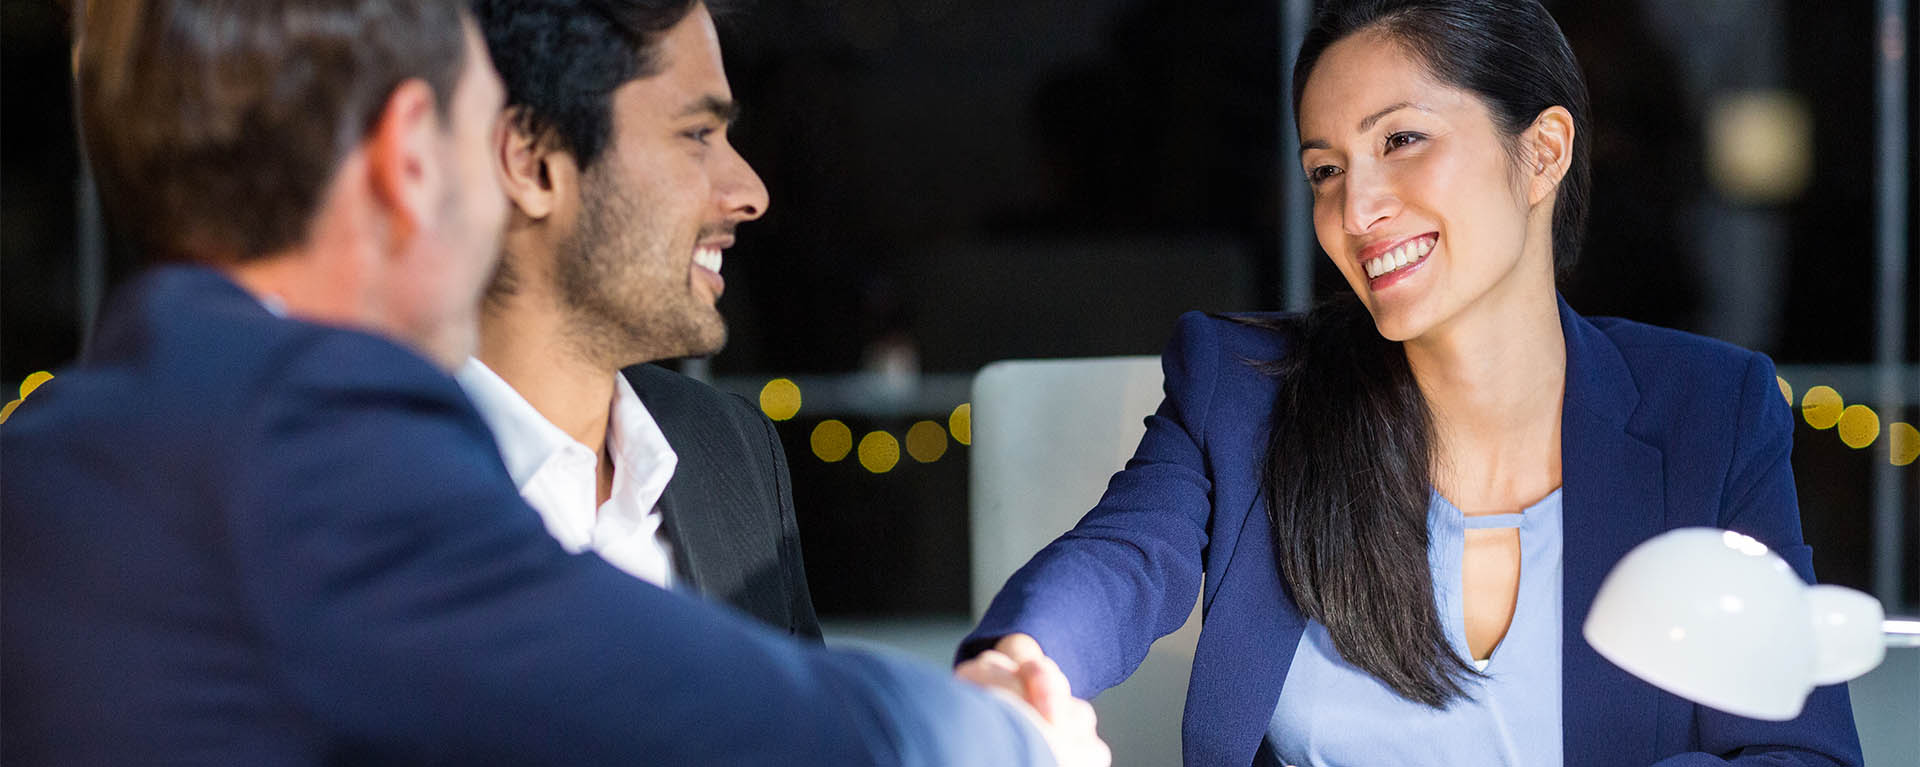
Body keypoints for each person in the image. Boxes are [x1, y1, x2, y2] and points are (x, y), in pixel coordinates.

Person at [0, 1, 1107, 764]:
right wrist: (1009, 731)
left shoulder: (89, 442)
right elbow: (713, 712)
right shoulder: (295, 439)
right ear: (412, 156)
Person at [955, 1, 1864, 765]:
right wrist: (1021, 661)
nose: (1356, 209)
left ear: (1543, 152)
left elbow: (1795, 749)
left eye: (1402, 138)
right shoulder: (1247, 391)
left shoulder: (1711, 411)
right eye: (1326, 170)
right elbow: (1119, 564)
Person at [459, 0, 816, 637]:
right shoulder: (343, 480)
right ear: (532, 162)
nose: (751, 193)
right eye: (697, 135)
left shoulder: (728, 451)